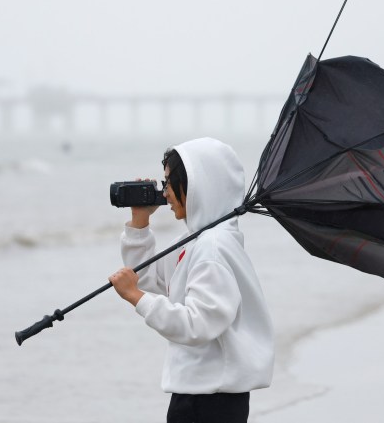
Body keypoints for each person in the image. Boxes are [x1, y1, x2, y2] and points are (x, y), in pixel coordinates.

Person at [108, 137, 275, 423]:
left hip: (211, 400)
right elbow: (149, 277)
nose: (166, 194)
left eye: (171, 184)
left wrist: (137, 298)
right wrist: (139, 222)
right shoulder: (197, 240)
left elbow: (198, 324)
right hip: (201, 393)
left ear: (198, 187)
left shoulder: (212, 248)